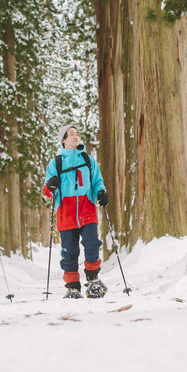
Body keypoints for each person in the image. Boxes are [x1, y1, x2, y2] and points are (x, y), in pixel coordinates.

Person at [44, 125, 109, 299]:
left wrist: (101, 193)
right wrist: (51, 185)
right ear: (63, 140)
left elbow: (97, 182)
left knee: (92, 243)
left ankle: (93, 279)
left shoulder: (88, 160)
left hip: (87, 209)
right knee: (69, 251)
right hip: (65, 212)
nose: (75, 136)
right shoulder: (56, 163)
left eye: (77, 134)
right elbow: (48, 190)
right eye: (71, 134)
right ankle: (72, 287)